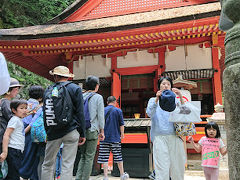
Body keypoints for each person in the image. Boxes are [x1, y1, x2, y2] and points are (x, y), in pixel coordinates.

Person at [41, 66, 86, 180]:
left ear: (55, 76)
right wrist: (82, 133)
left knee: (48, 164)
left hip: (53, 132)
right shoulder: (75, 88)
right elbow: (80, 112)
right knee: (67, 164)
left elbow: (46, 112)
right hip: (71, 130)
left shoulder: (48, 89)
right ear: (68, 77)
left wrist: (47, 132)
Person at [146, 76, 186, 180]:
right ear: (159, 86)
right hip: (159, 137)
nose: (166, 86)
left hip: (175, 136)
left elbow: (185, 113)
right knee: (161, 167)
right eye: (163, 84)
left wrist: (180, 96)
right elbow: (150, 113)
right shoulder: (152, 100)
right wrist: (156, 99)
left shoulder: (175, 100)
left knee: (177, 166)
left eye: (168, 84)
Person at [75, 75, 105, 180]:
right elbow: (101, 116)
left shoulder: (81, 96)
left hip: (81, 130)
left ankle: (78, 178)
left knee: (83, 156)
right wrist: (102, 131)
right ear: (96, 86)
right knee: (89, 157)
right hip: (92, 130)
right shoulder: (98, 97)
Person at [97, 96, 129, 180]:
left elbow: (99, 124)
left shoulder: (102, 110)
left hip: (104, 138)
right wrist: (122, 134)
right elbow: (121, 124)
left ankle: (105, 177)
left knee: (104, 158)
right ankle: (122, 175)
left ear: (107, 102)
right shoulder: (118, 111)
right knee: (118, 156)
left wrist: (100, 133)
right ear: (115, 102)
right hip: (115, 137)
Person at [19, 85, 45, 180]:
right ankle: (27, 175)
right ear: (41, 96)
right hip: (30, 133)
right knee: (32, 156)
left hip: (19, 130)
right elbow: (32, 123)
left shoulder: (22, 103)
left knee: (23, 154)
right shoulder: (38, 107)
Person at [0, 99, 28, 179]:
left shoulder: (18, 119)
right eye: (21, 108)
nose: (24, 110)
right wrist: (5, 152)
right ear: (13, 110)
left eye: (25, 108)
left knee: (13, 174)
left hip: (17, 151)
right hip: (13, 150)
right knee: (13, 176)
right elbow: (6, 135)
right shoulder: (15, 120)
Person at [0, 78, 23, 153]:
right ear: (8, 91)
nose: (17, 92)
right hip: (3, 134)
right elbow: (11, 118)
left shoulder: (5, 102)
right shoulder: (6, 102)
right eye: (16, 89)